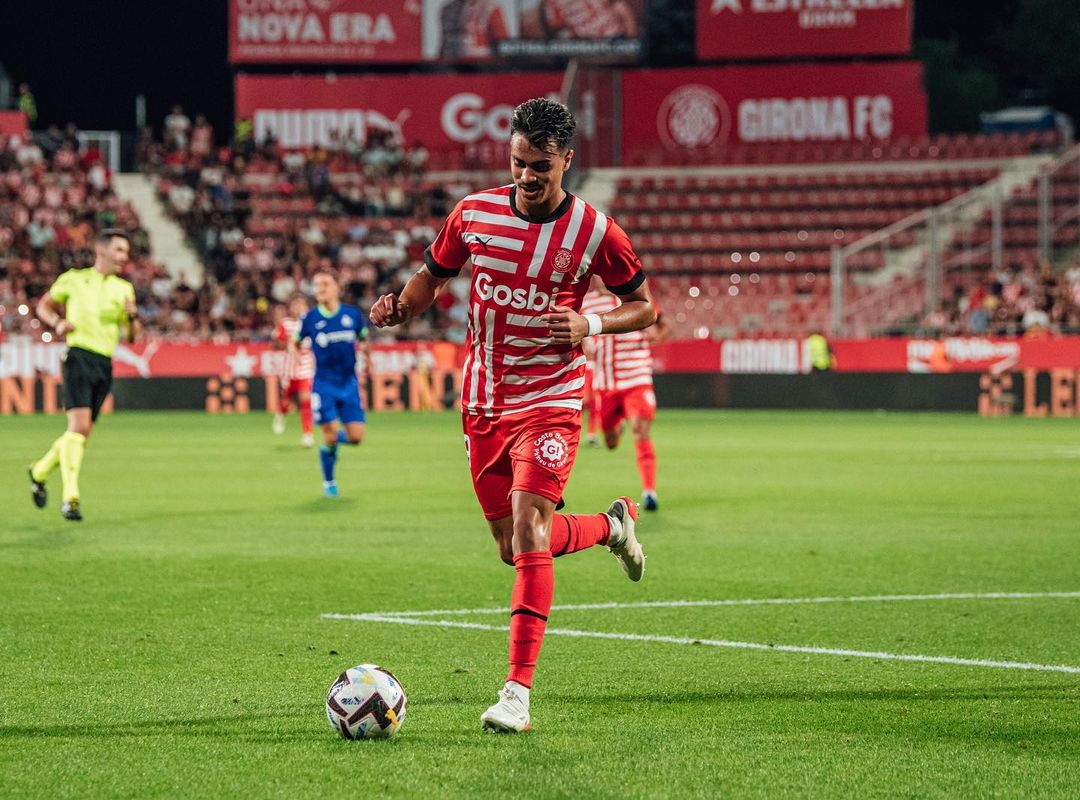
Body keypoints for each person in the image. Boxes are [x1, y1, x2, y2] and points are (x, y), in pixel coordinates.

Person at [369, 98, 657, 733]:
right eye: (520, 163)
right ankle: (611, 529)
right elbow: (431, 275)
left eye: (543, 167)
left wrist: (590, 321)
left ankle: (516, 694)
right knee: (513, 546)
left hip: (552, 399)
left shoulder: (594, 232)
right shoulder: (473, 213)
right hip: (483, 404)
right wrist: (400, 307)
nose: (529, 177)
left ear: (567, 161)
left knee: (529, 526)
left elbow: (645, 308)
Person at [28, 229, 138, 521]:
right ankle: (70, 497)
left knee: (81, 433)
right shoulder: (74, 279)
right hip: (78, 356)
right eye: (119, 250)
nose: (124, 257)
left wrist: (131, 317)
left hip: (104, 362)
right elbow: (43, 305)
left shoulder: (123, 289)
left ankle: (39, 471)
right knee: (79, 428)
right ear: (100, 250)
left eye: (125, 252)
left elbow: (131, 337)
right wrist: (58, 323)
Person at [581, 278, 667, 511]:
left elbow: (662, 325)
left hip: (636, 377)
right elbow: (578, 333)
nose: (602, 277)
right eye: (598, 273)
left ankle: (650, 491)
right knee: (610, 442)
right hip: (605, 382)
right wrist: (582, 345)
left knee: (640, 429)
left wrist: (656, 335)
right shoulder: (586, 303)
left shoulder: (635, 296)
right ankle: (618, 424)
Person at [292, 270, 368, 497]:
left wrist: (367, 356)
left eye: (325, 283)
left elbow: (363, 338)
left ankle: (331, 442)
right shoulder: (309, 319)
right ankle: (329, 482)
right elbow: (294, 342)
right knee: (331, 432)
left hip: (349, 382)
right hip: (324, 384)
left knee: (355, 437)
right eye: (316, 285)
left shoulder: (352, 315)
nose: (320, 288)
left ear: (337, 287)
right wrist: (298, 357)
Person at [272, 294, 316, 447]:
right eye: (295, 305)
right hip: (289, 368)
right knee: (287, 400)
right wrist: (290, 344)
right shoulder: (286, 324)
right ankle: (280, 412)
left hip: (305, 366)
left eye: (301, 305)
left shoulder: (311, 323)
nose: (299, 309)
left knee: (306, 401)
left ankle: (307, 434)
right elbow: (276, 345)